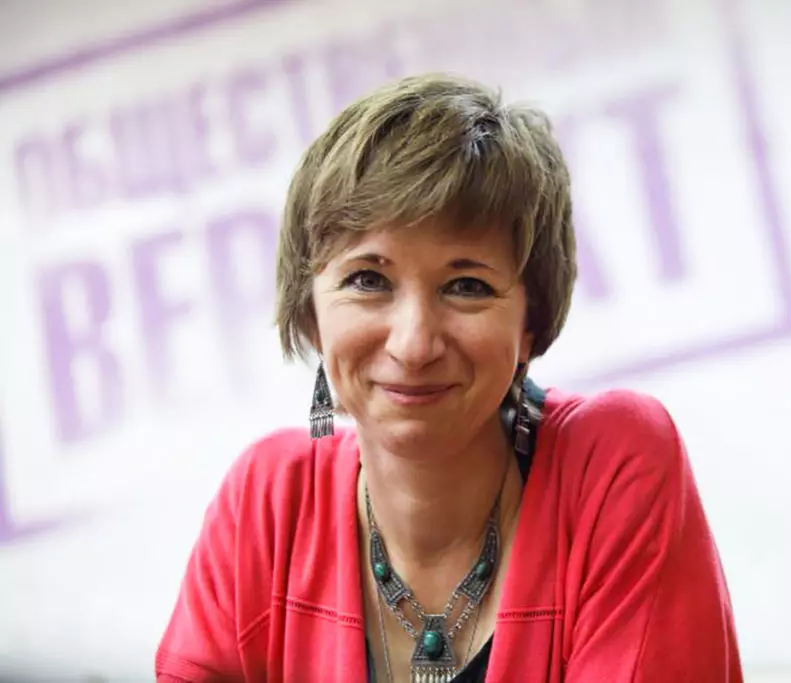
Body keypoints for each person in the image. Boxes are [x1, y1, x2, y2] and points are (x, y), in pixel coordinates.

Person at [156, 73, 743, 683]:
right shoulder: (267, 505)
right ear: (310, 313)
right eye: (368, 280)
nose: (414, 345)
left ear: (530, 324)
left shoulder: (613, 465)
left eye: (467, 286)